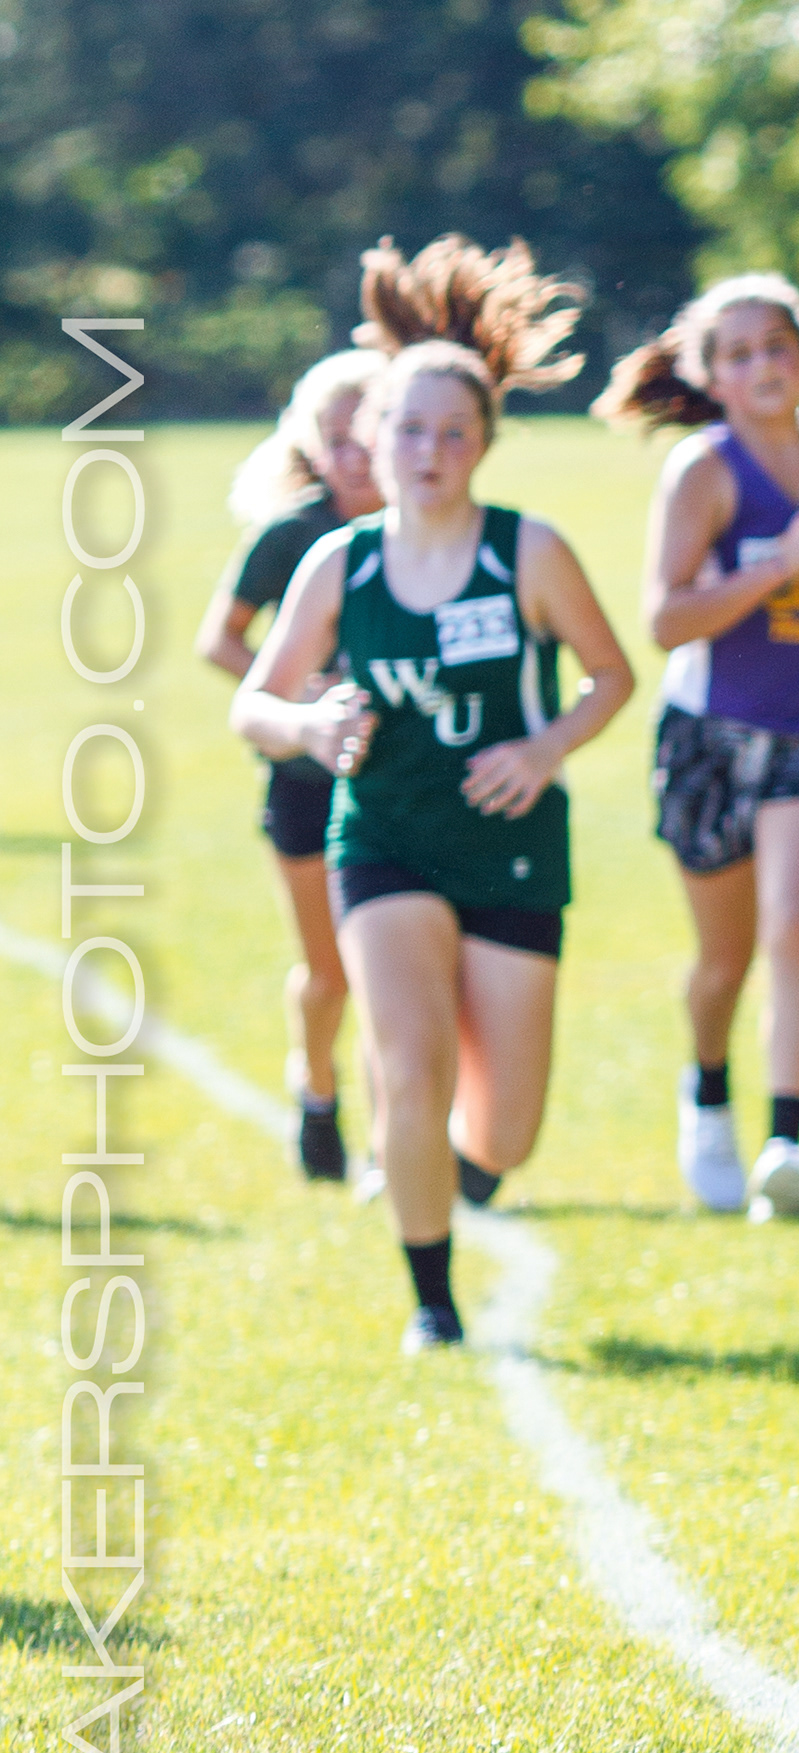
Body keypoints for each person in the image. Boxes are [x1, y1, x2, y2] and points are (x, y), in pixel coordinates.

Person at [233, 236, 635, 1351]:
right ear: (372, 439)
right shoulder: (339, 564)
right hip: (385, 840)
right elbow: (254, 704)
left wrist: (544, 748)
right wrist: (312, 723)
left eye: (454, 432)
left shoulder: (528, 553)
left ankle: (453, 1170)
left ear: (483, 446)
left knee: (506, 1132)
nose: (429, 451)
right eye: (409, 429)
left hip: (511, 845)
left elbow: (611, 675)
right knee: (408, 1069)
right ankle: (433, 1302)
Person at [594, 272, 799, 1221]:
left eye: (777, 347)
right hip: (713, 734)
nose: (763, 366)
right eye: (739, 354)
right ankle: (709, 1090)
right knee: (723, 960)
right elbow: (665, 620)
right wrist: (779, 567)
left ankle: (784, 1145)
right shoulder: (704, 471)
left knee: (792, 927)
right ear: (711, 377)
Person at [197, 350, 386, 1180]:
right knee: (332, 969)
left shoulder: (426, 526)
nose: (354, 455)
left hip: (398, 779)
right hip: (306, 780)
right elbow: (219, 639)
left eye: (364, 435)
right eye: (334, 440)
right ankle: (315, 1087)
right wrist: (299, 698)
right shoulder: (289, 536)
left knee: (397, 966)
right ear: (310, 446)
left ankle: (395, 1139)